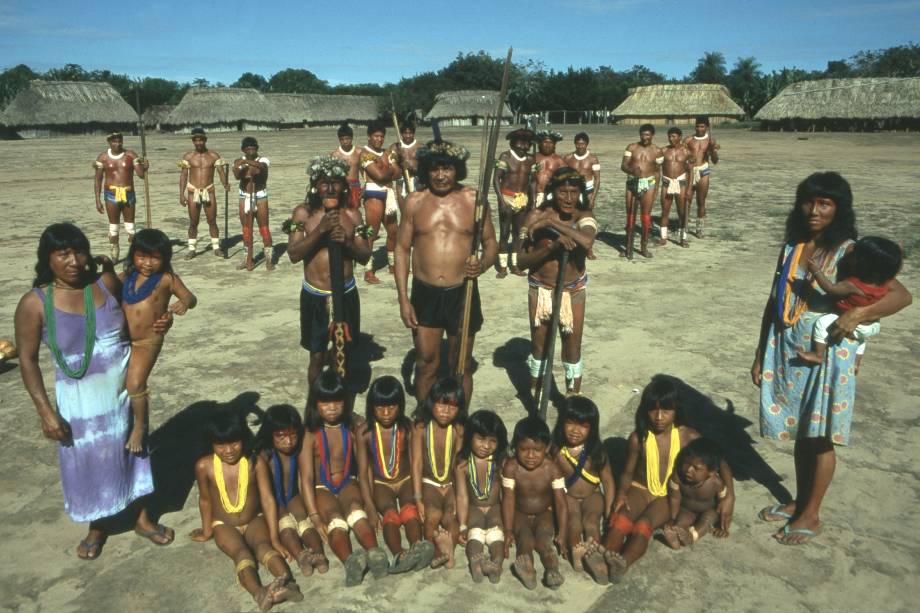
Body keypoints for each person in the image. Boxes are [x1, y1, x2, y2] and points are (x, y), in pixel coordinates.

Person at [751, 172, 911, 544]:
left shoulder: (850, 250)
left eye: (825, 203)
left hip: (828, 352)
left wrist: (856, 315)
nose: (814, 210)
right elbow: (773, 299)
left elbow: (901, 296)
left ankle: (812, 513)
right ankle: (799, 501)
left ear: (839, 208)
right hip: (788, 343)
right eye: (809, 201)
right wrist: (761, 352)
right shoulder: (794, 244)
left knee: (820, 436)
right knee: (801, 430)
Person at [15, 223, 173, 560]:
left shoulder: (105, 284)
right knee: (88, 464)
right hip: (79, 405)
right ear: (48, 258)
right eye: (63, 254)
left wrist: (163, 322)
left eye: (79, 251)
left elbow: (137, 321)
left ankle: (142, 518)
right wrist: (45, 412)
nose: (73, 260)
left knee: (135, 454)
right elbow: (27, 360)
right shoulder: (35, 303)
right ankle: (98, 526)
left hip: (121, 393)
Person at [395, 140, 498, 406]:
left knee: (460, 365)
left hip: (462, 293)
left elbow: (491, 245)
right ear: (426, 170)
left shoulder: (474, 200)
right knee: (427, 364)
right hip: (424, 293)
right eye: (435, 169)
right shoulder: (414, 202)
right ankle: (423, 418)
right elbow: (402, 250)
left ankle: (459, 422)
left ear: (458, 170)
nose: (441, 175)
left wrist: (483, 265)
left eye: (448, 168)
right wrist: (403, 300)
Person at [602, 375, 734, 580]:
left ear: (677, 410)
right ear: (645, 411)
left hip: (666, 495)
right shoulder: (639, 438)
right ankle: (604, 563)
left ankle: (623, 563)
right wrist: (620, 493)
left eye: (666, 410)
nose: (659, 417)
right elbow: (627, 473)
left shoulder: (687, 436)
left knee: (643, 525)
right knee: (621, 519)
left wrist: (730, 496)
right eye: (653, 410)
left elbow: (721, 462)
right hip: (640, 488)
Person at [190, 407, 304, 610]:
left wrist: (275, 538)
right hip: (224, 524)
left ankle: (288, 583)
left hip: (254, 519)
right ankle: (260, 593)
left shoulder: (255, 462)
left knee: (265, 547)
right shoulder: (204, 466)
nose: (229, 450)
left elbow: (268, 499)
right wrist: (207, 530)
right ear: (211, 444)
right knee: (242, 555)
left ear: (244, 438)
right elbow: (205, 501)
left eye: (234, 442)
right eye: (221, 444)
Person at [284, 156, 371, 386]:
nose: (330, 188)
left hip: (346, 293)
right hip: (315, 296)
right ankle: (315, 407)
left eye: (335, 182)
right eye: (324, 182)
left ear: (344, 186)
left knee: (343, 354)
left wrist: (348, 243)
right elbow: (293, 254)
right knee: (317, 356)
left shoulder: (353, 215)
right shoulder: (303, 214)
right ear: (315, 186)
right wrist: (319, 232)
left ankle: (339, 403)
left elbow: (364, 256)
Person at [298, 371, 389, 586]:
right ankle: (350, 561)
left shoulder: (354, 426)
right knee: (335, 519)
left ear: (346, 402)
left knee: (357, 512)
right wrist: (314, 516)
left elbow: (365, 467)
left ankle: (374, 552)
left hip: (348, 481)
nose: (331, 408)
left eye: (337, 402)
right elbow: (306, 477)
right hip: (322, 486)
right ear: (315, 403)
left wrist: (370, 504)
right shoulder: (309, 433)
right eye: (325, 402)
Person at [516, 167, 597, 398]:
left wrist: (551, 226)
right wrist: (552, 246)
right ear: (553, 192)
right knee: (539, 347)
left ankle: (572, 400)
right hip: (540, 290)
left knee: (572, 348)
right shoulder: (534, 215)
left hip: (573, 292)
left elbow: (587, 241)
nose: (569, 198)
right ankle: (536, 397)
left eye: (574, 192)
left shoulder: (584, 216)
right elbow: (520, 262)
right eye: (563, 192)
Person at [120, 228, 197, 453]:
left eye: (155, 257)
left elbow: (190, 297)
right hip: (121, 340)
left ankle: (141, 426)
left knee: (135, 384)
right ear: (133, 254)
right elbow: (106, 291)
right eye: (141, 256)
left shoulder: (166, 279)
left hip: (148, 341)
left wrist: (183, 305)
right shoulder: (126, 276)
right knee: (119, 387)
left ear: (165, 258)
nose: (147, 263)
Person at [362, 375, 434, 573]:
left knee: (410, 510)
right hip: (381, 483)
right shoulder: (365, 433)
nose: (386, 413)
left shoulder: (407, 427)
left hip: (405, 479)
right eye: (380, 408)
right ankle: (398, 553)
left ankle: (418, 546)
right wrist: (369, 506)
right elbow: (363, 470)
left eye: (391, 407)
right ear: (371, 407)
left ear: (400, 406)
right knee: (390, 514)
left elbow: (414, 462)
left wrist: (419, 497)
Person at [796, 236, 902, 369]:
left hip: (855, 324)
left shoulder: (853, 284)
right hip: (872, 326)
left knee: (822, 324)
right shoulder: (883, 282)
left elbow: (830, 289)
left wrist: (815, 270)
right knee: (861, 339)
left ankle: (818, 354)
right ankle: (856, 362)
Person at [255, 404, 329, 577]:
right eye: (281, 437)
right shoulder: (262, 455)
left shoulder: (299, 447)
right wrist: (274, 539)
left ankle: (318, 554)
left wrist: (315, 516)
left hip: (293, 495)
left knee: (304, 521)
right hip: (273, 501)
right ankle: (300, 555)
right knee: (286, 524)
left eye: (293, 435)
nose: (288, 442)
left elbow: (305, 479)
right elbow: (266, 497)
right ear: (269, 434)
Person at [551, 396, 614, 584]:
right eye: (570, 423)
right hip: (568, 496)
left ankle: (594, 555)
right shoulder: (555, 450)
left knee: (592, 522)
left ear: (592, 429)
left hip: (592, 495)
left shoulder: (596, 452)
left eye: (583, 426)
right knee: (574, 523)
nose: (575, 431)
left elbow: (608, 481)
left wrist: (610, 510)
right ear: (561, 423)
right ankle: (576, 550)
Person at [501, 416, 567, 590]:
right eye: (524, 449)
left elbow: (561, 503)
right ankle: (528, 570)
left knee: (544, 540)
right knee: (525, 539)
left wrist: (562, 531)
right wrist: (508, 531)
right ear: (515, 447)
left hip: (544, 512)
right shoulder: (512, 467)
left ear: (547, 448)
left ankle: (552, 570)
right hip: (519, 513)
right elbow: (508, 499)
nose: (530, 455)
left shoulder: (552, 469)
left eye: (537, 450)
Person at [411, 377, 467, 569]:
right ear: (431, 403)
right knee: (432, 515)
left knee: (451, 516)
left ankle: (447, 548)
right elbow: (417, 463)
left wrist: (460, 498)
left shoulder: (458, 428)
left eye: (452, 407)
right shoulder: (420, 427)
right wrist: (418, 498)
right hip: (429, 483)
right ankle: (434, 550)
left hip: (450, 484)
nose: (446, 411)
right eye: (442, 405)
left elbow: (459, 466)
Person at [455, 409, 509, 583]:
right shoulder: (462, 465)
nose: (486, 446)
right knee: (475, 533)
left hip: (494, 507)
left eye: (492, 441)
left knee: (496, 534)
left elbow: (506, 494)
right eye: (481, 439)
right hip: (474, 507)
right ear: (469, 437)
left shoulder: (500, 462)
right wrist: (462, 524)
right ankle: (475, 563)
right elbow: (462, 496)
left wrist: (509, 526)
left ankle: (497, 564)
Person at [661, 438, 728, 549]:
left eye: (696, 468)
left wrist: (723, 526)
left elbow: (724, 504)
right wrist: (672, 518)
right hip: (687, 510)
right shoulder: (677, 477)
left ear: (711, 472)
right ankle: (675, 538)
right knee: (681, 520)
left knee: (708, 519)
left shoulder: (716, 483)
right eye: (686, 463)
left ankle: (691, 537)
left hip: (708, 511)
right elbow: (674, 498)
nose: (688, 469)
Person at [93, 132, 148, 262]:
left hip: (128, 194)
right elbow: (97, 180)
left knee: (131, 229)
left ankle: (132, 255)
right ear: (109, 142)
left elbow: (140, 175)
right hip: (111, 195)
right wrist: (97, 199)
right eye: (115, 141)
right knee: (114, 228)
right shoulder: (103, 158)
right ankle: (115, 255)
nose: (117, 144)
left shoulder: (130, 155)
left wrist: (144, 168)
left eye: (120, 141)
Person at [178, 127, 230, 259]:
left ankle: (216, 247)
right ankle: (192, 249)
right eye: (196, 140)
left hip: (209, 190)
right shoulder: (188, 157)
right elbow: (183, 176)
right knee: (193, 222)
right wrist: (181, 194)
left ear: (205, 140)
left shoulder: (213, 156)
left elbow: (221, 172)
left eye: (201, 140)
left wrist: (225, 184)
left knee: (212, 221)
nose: (198, 143)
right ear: (193, 141)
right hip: (192, 191)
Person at [360, 121, 402, 283]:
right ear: (369, 137)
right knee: (372, 233)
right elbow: (379, 176)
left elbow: (397, 174)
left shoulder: (387, 153)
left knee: (394, 232)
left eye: (382, 137)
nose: (379, 139)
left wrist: (388, 171)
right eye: (376, 136)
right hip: (373, 194)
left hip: (388, 193)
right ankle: (368, 270)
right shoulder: (365, 154)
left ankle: (392, 264)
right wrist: (391, 169)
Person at [493, 128, 536, 276]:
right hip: (507, 197)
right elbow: (496, 180)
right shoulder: (505, 157)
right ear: (513, 144)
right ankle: (503, 267)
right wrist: (502, 201)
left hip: (522, 199)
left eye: (526, 145)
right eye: (520, 145)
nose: (523, 148)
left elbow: (532, 182)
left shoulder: (531, 160)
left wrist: (533, 201)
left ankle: (515, 265)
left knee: (518, 234)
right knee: (504, 233)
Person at [621, 124, 663, 259]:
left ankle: (643, 247)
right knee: (630, 215)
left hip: (649, 183)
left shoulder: (657, 151)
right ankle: (628, 246)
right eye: (642, 135)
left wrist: (656, 189)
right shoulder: (631, 147)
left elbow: (657, 172)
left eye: (647, 135)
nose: (645, 137)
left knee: (646, 216)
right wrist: (632, 171)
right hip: (632, 182)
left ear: (652, 135)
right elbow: (623, 165)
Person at [232, 137, 274, 271]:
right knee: (246, 229)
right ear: (243, 149)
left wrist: (245, 163)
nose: (251, 150)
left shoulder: (263, 160)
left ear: (257, 148)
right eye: (248, 148)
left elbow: (260, 168)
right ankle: (247, 259)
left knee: (264, 228)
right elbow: (237, 175)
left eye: (253, 148)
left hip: (260, 196)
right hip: (245, 196)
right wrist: (240, 167)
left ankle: (269, 259)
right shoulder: (238, 161)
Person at [564, 132, 601, 260]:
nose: (580, 146)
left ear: (587, 144)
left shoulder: (593, 159)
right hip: (573, 192)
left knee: (588, 220)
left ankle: (588, 249)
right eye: (578, 144)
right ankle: (572, 246)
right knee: (571, 218)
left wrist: (593, 197)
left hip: (588, 191)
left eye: (583, 144)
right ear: (575, 144)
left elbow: (597, 179)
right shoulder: (568, 158)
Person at [683, 116, 719, 238]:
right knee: (686, 200)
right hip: (690, 171)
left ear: (707, 127)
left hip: (703, 170)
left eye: (702, 126)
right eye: (698, 126)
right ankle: (684, 226)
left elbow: (715, 161)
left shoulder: (710, 141)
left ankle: (699, 229)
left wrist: (712, 149)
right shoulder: (688, 140)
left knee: (701, 201)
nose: (699, 129)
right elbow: (682, 156)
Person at [659, 127, 691, 247]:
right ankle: (663, 237)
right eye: (669, 136)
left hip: (681, 183)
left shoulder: (686, 152)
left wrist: (688, 189)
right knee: (665, 211)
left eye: (674, 136)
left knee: (682, 212)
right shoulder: (663, 151)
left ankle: (683, 238)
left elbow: (690, 171)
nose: (671, 139)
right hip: (667, 183)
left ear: (680, 137)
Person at [330, 124, 364, 210]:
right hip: (341, 186)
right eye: (342, 139)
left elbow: (363, 172)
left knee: (355, 211)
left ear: (352, 138)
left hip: (355, 186)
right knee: (341, 212)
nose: (345, 142)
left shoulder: (359, 152)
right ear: (339, 140)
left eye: (347, 139)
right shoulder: (335, 155)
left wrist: (366, 186)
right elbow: (332, 175)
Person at [388, 120, 421, 208]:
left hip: (417, 180)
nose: (408, 136)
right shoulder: (395, 147)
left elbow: (426, 167)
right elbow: (391, 166)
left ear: (414, 133)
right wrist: (398, 159)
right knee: (404, 210)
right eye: (405, 133)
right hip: (401, 180)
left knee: (417, 209)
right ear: (401, 134)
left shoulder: (420, 147)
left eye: (410, 133)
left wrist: (411, 166)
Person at [533, 130, 565, 207]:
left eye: (550, 143)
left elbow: (565, 177)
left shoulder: (559, 160)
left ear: (554, 145)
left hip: (551, 195)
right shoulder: (533, 158)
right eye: (545, 142)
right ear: (540, 144)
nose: (547, 145)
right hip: (534, 195)